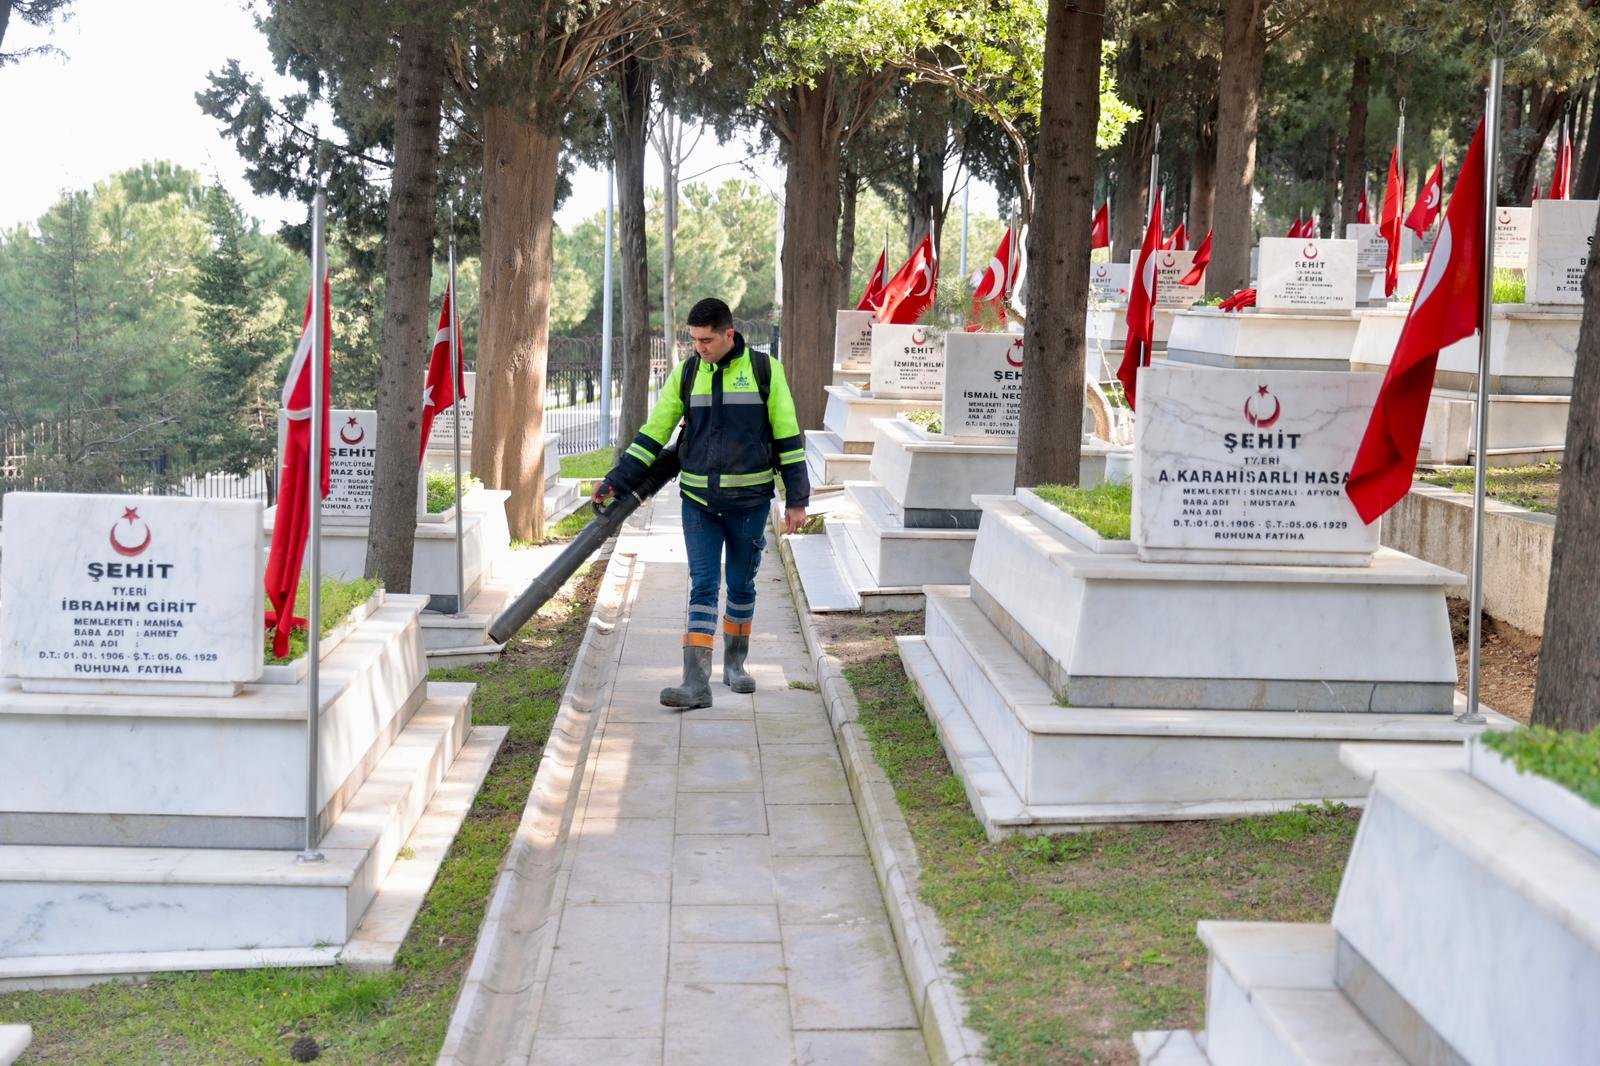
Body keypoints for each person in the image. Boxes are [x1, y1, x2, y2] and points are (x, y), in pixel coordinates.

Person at [593, 298, 809, 709]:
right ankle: (695, 682)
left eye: (707, 340)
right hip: (698, 502)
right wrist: (616, 481)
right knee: (703, 586)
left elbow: (787, 438)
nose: (700, 348)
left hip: (750, 503)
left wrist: (797, 499)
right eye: (694, 340)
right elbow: (654, 434)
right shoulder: (689, 372)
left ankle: (735, 666)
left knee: (742, 587)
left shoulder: (765, 372)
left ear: (730, 334)